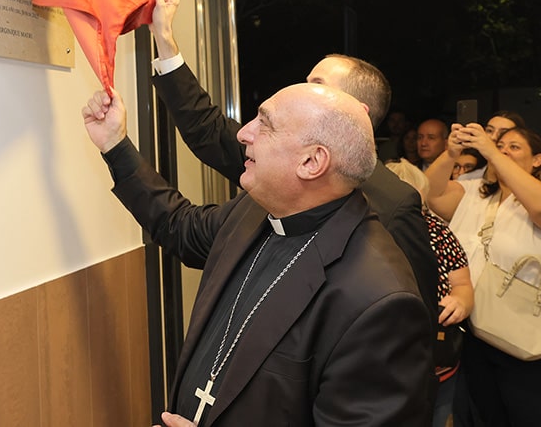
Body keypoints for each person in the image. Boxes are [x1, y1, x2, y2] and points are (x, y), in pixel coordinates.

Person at [82, 84, 432, 426]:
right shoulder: (256, 209)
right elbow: (180, 227)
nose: (243, 133)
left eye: (265, 124)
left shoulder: (379, 302)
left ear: (312, 161)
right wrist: (115, 145)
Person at [146, 0, 439, 324]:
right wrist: (164, 40)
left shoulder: (395, 202)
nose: (301, 90)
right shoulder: (277, 162)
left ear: (355, 110)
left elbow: (413, 314)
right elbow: (208, 130)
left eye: (316, 85)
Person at [428, 125, 541, 426]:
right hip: (478, 329)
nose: (503, 151)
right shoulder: (474, 193)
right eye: (499, 146)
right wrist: (450, 153)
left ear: (537, 160)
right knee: (485, 417)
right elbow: (430, 194)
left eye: (514, 147)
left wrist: (492, 152)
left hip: (535, 328)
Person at [384, 159, 473, 427]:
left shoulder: (438, 231)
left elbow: (463, 284)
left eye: (418, 206)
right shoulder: (368, 231)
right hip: (384, 362)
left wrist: (460, 302)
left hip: (437, 360)